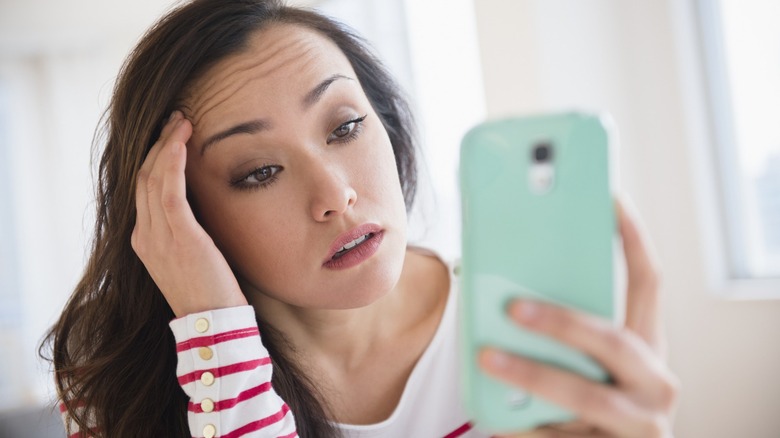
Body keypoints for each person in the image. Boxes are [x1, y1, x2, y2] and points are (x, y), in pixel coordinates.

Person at [42, 0, 678, 437]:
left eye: (345, 127)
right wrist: (218, 344)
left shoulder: (533, 343)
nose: (335, 194)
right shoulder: (114, 399)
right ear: (181, 216)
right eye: (259, 172)